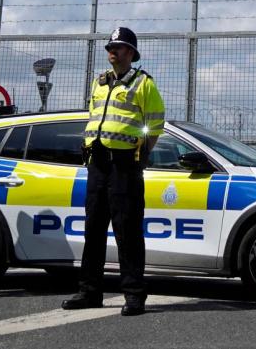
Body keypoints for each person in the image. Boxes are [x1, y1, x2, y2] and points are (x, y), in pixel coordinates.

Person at [63, 27, 166, 317]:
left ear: (131, 53)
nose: (113, 51)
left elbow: (155, 125)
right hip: (97, 164)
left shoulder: (143, 84)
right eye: (110, 46)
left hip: (125, 165)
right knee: (93, 229)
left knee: (128, 231)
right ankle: (89, 291)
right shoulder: (100, 83)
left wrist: (141, 156)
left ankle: (134, 295)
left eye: (119, 47)